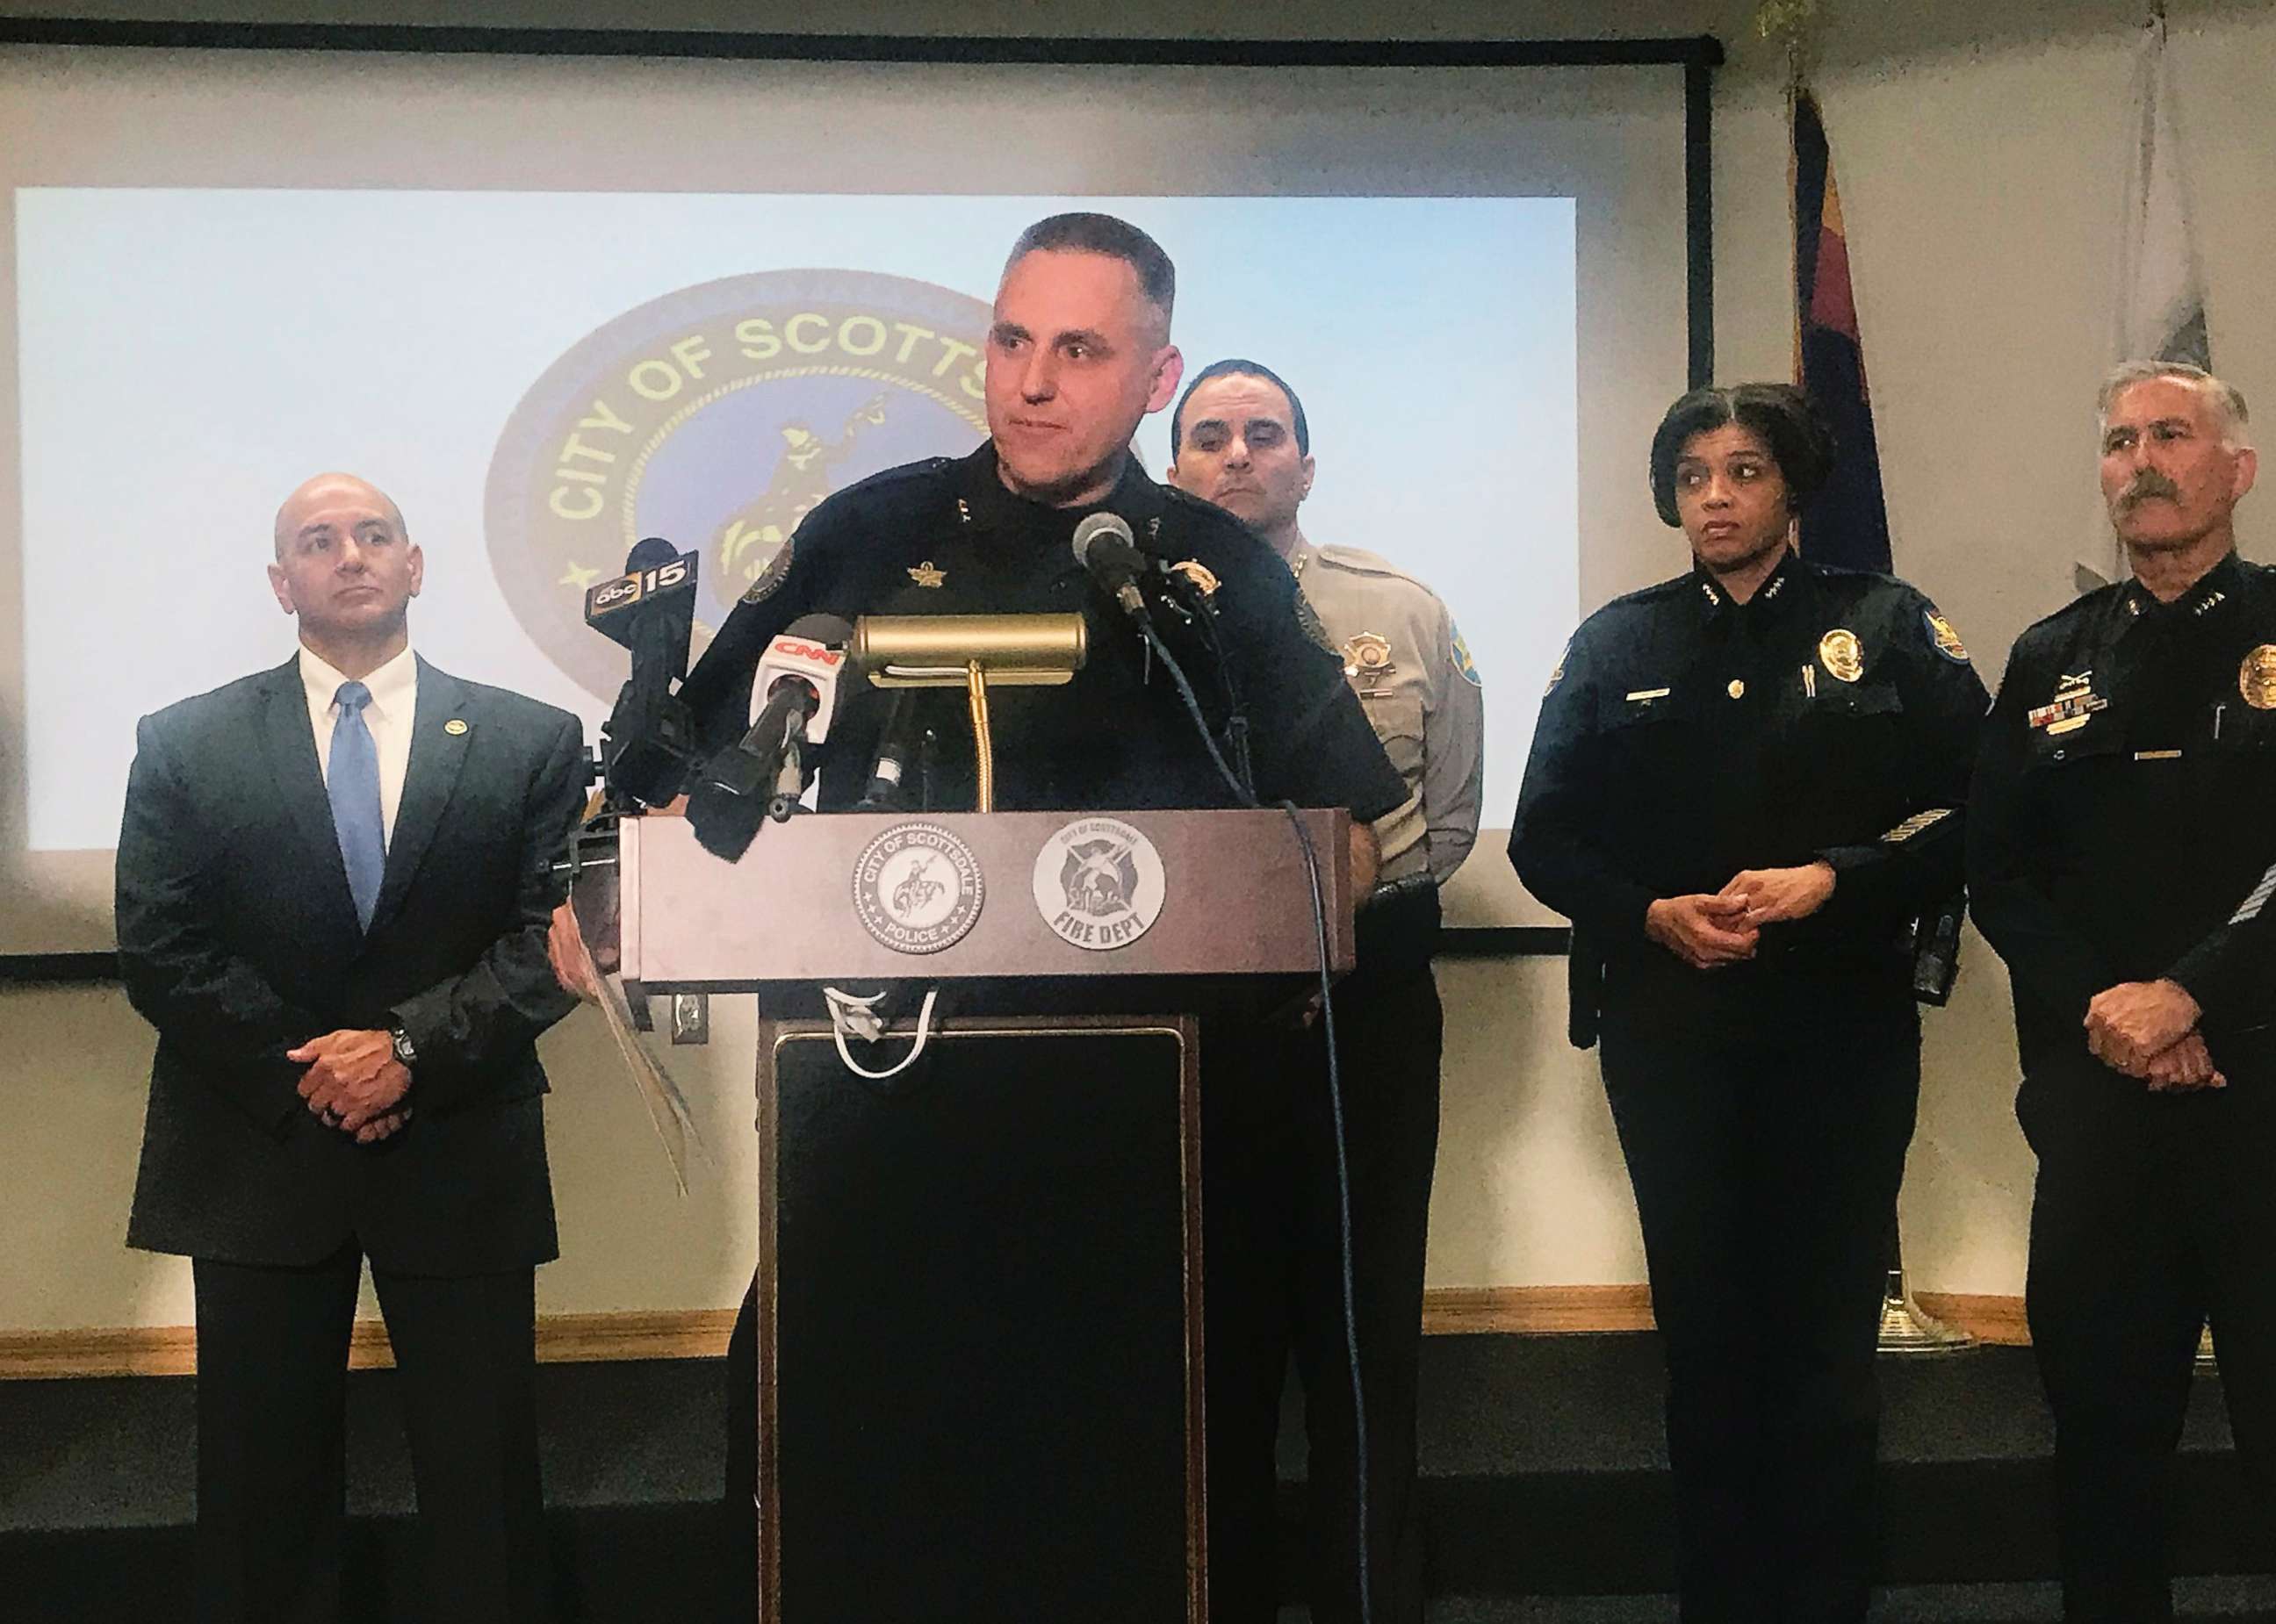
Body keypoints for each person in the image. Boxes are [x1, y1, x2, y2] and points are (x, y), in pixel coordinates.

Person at [549, 213, 1408, 1623]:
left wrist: (1272, 905)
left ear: (1155, 373)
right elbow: (691, 780)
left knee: (1126, 1491)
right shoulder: (866, 530)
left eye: (1080, 349)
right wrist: (612, 892)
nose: (1031, 380)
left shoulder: (1208, 569)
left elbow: (1351, 837)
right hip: (873, 1108)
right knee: (833, 1450)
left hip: (1148, 1134)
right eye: (1012, 340)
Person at [1508, 384, 1988, 1623]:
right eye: (1692, 477)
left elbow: (1986, 808)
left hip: (1842, 1033)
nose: (1715, 498)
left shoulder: (1885, 623)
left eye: (1744, 472)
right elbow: (1545, 843)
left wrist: (1844, 877)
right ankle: (1720, 1597)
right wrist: (1648, 914)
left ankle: (1831, 1596)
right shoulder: (1617, 642)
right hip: (1674, 1033)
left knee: (1828, 1337)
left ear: (1792, 488)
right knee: (1708, 1339)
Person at [117, 472, 587, 1624]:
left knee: (485, 1495)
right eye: (319, 541)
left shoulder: (533, 740)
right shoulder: (185, 743)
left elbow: (556, 941)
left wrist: (408, 1052)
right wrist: (322, 1072)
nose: (352, 553)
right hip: (255, 1152)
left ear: (416, 565)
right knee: (258, 1500)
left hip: (459, 1142)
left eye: (375, 534)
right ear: (283, 584)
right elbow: (160, 946)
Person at [1166, 356, 1482, 1624]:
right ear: (1172, 465)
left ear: (1306, 461)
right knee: (1209, 1350)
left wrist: (1317, 920)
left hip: (1365, 1010)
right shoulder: (1128, 611)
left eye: (1263, 433)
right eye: (1208, 436)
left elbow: (1446, 812)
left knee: (1362, 1345)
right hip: (1188, 1019)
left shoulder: (1395, 611)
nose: (1236, 455)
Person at [1968, 359, 2276, 1621]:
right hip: (2105, 1109)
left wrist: (2192, 995)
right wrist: (2119, 1010)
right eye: (2118, 441)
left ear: (2237, 470)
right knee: (2102, 1440)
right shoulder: (2052, 657)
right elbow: (1999, 873)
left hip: (2264, 1098)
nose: (2140, 460)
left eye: (2171, 435)